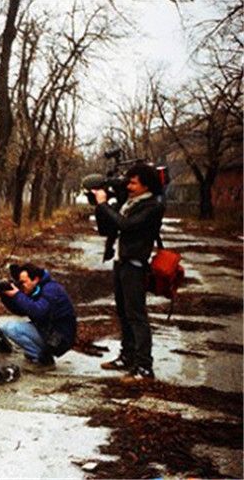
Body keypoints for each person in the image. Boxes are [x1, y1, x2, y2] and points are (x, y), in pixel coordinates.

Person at [91, 162, 165, 383]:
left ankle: (144, 367)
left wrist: (104, 205)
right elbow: (109, 228)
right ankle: (128, 356)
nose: (129, 186)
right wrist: (100, 207)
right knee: (124, 313)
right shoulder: (131, 202)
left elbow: (127, 225)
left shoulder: (152, 205)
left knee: (136, 316)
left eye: (133, 182)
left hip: (135, 264)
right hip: (122, 262)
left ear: (146, 185)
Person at [0, 263, 77, 372]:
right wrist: (6, 296)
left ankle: (44, 361)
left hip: (59, 339)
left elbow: (38, 311)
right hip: (52, 332)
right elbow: (21, 311)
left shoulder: (51, 289)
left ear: (35, 279)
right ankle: (36, 353)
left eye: (23, 282)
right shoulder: (38, 288)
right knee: (9, 328)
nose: (21, 285)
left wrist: (17, 295)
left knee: (12, 328)